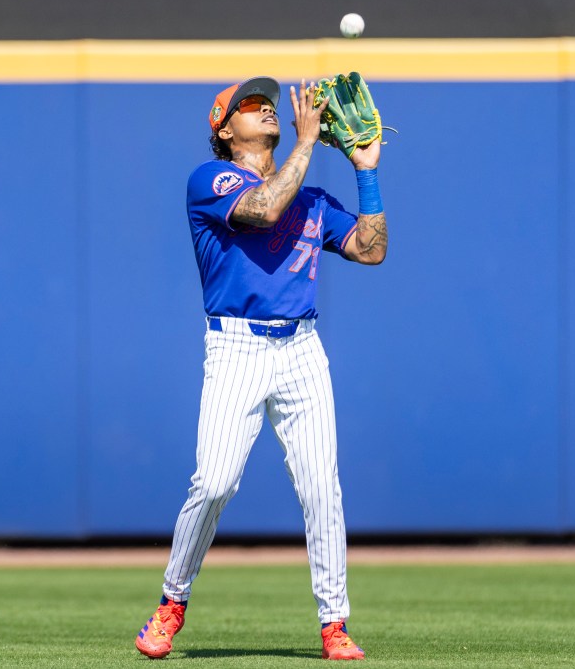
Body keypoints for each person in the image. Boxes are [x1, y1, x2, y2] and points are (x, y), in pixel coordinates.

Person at [134, 75, 386, 661]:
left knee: (322, 487)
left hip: (302, 349)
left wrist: (366, 171)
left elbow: (371, 249)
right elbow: (266, 208)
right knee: (214, 482)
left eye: (268, 102)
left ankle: (334, 624)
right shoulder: (211, 179)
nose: (266, 108)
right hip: (236, 348)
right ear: (224, 130)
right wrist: (307, 141)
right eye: (249, 105)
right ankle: (172, 601)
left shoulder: (312, 199)